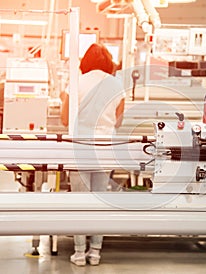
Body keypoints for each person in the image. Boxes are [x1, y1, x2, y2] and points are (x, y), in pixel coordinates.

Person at [60, 43, 125, 266]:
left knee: (79, 202)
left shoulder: (76, 82)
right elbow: (118, 121)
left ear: (85, 62)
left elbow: (65, 119)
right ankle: (95, 252)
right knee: (100, 201)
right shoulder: (117, 85)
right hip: (105, 150)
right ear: (108, 63)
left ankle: (79, 253)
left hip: (79, 148)